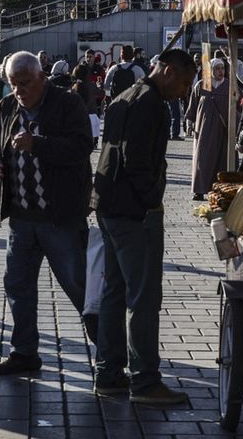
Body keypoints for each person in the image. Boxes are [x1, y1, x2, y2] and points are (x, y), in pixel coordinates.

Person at [91, 48, 197, 404]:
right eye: (183, 81)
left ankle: (108, 373)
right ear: (166, 70)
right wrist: (152, 199)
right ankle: (145, 380)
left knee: (115, 293)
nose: (183, 91)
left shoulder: (127, 94)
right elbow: (136, 159)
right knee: (143, 297)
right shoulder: (149, 102)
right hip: (134, 212)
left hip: (109, 206)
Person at [0, 51, 97, 375]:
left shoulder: (67, 103)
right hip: (22, 218)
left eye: (25, 83)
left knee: (79, 286)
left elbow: (81, 147)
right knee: (17, 285)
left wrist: (38, 145)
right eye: (13, 84)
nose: (19, 90)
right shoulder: (6, 107)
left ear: (41, 77)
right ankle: (24, 353)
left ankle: (108, 352)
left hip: (60, 218)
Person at [186, 58, 237, 200]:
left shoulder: (229, 85)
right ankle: (199, 189)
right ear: (211, 70)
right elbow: (193, 106)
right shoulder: (202, 84)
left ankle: (222, 190)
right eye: (217, 68)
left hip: (223, 129)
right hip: (204, 129)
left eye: (222, 68)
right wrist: (189, 123)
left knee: (222, 159)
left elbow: (238, 107)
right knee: (203, 158)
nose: (221, 71)